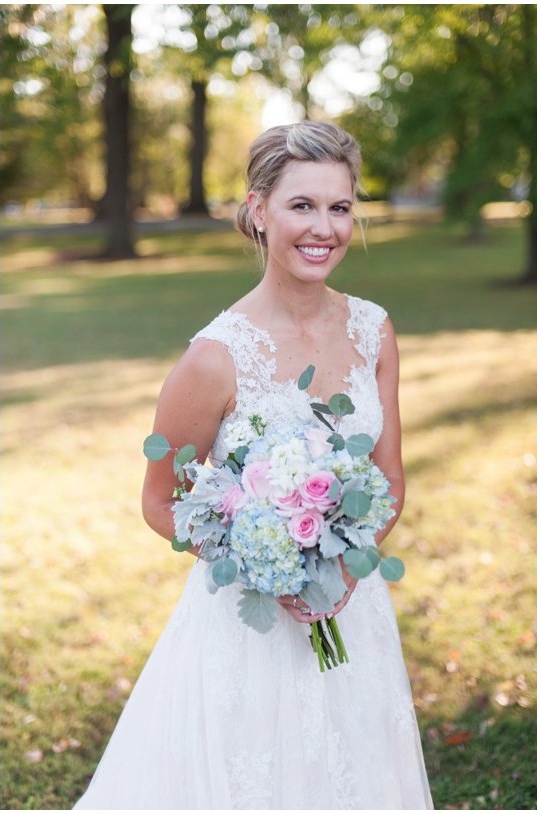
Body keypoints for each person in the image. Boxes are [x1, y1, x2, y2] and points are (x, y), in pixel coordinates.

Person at [75, 121, 433, 809]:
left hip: (354, 612)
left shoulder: (374, 330)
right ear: (258, 210)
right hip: (247, 627)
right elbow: (160, 501)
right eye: (302, 205)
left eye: (339, 206)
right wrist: (263, 561)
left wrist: (346, 564)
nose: (322, 227)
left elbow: (388, 480)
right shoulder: (214, 357)